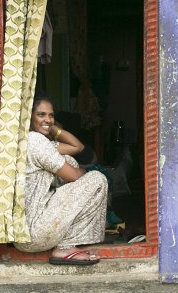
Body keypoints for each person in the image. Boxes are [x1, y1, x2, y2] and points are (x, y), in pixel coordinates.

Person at [13, 95, 108, 265]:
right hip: (35, 231)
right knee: (97, 180)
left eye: (51, 115)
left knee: (68, 160)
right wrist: (83, 171)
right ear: (29, 116)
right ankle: (65, 246)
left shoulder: (31, 141)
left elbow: (77, 147)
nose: (48, 119)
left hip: (25, 234)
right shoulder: (35, 142)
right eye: (41, 115)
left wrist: (52, 129)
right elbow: (74, 176)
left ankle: (66, 243)